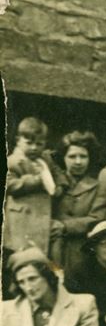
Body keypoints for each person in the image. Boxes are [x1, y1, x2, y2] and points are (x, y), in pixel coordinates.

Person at [4, 117, 67, 276]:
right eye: (29, 143)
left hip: (44, 221)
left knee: (51, 251)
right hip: (22, 223)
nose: (34, 148)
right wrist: (39, 180)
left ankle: (57, 275)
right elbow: (10, 185)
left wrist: (59, 186)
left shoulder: (45, 159)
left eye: (39, 144)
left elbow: (58, 173)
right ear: (18, 140)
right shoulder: (12, 162)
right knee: (25, 261)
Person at [54, 131, 106, 273]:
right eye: (72, 156)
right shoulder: (53, 183)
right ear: (63, 158)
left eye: (83, 156)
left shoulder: (98, 186)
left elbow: (97, 218)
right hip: (52, 248)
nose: (78, 162)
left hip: (81, 252)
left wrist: (64, 226)